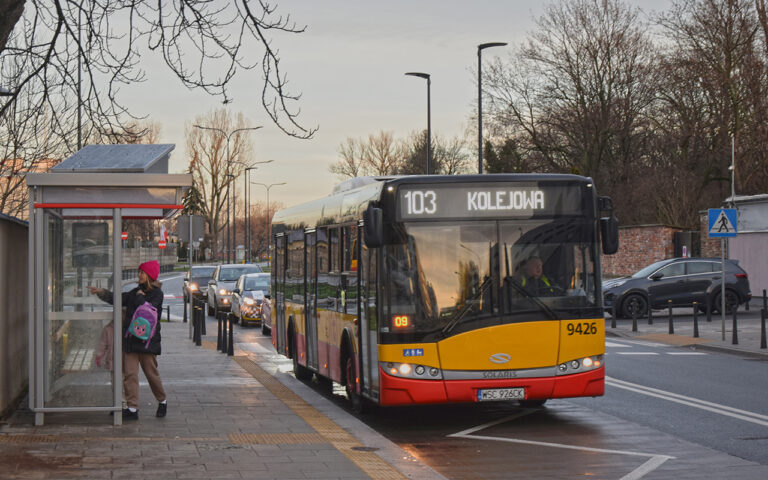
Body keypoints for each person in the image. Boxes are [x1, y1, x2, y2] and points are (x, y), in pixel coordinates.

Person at [89, 260, 167, 421]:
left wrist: (139, 298)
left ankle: (162, 401)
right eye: (139, 272)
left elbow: (148, 310)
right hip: (131, 341)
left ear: (149, 275)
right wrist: (101, 292)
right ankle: (132, 408)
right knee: (130, 375)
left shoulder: (157, 294)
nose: (139, 275)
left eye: (141, 273)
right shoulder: (135, 291)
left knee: (151, 374)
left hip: (147, 342)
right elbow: (117, 298)